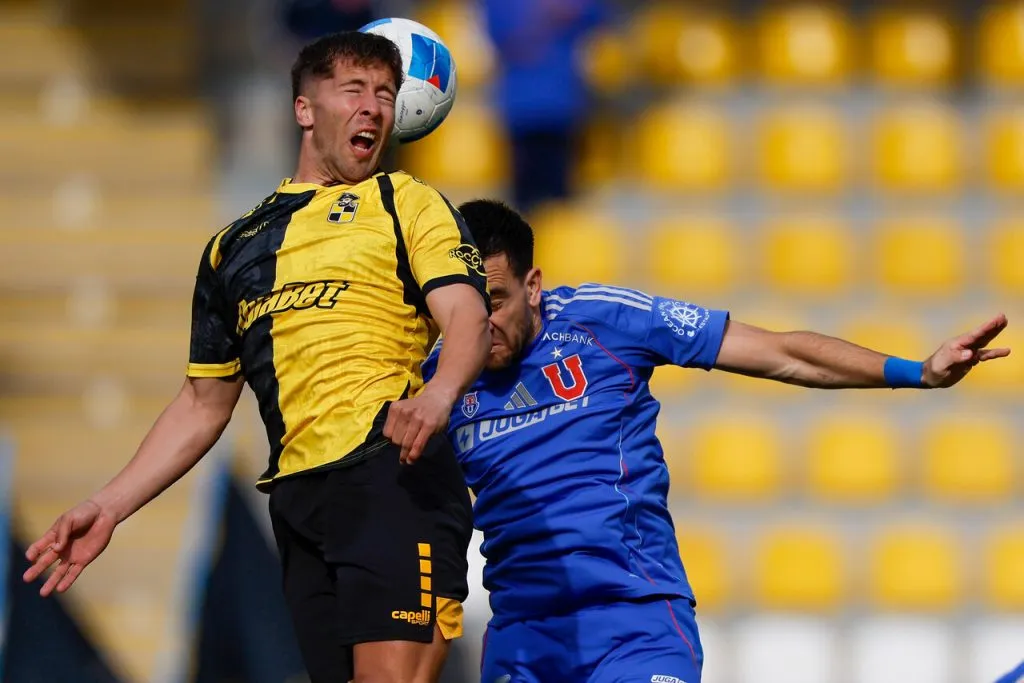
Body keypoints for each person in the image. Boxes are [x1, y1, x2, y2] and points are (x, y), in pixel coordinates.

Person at [23, 32, 491, 683]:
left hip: (392, 476)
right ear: (304, 108)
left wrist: (438, 396)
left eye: (386, 94)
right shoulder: (232, 248)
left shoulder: (406, 203)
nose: (372, 107)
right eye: (353, 91)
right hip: (298, 501)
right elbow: (202, 404)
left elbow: (468, 316)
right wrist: (108, 506)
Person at [422, 199, 1010, 683]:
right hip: (523, 640)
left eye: (495, 302)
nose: (480, 324)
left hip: (634, 626)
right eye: (466, 306)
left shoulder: (602, 321)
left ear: (533, 286)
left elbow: (781, 352)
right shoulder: (435, 380)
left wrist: (917, 371)